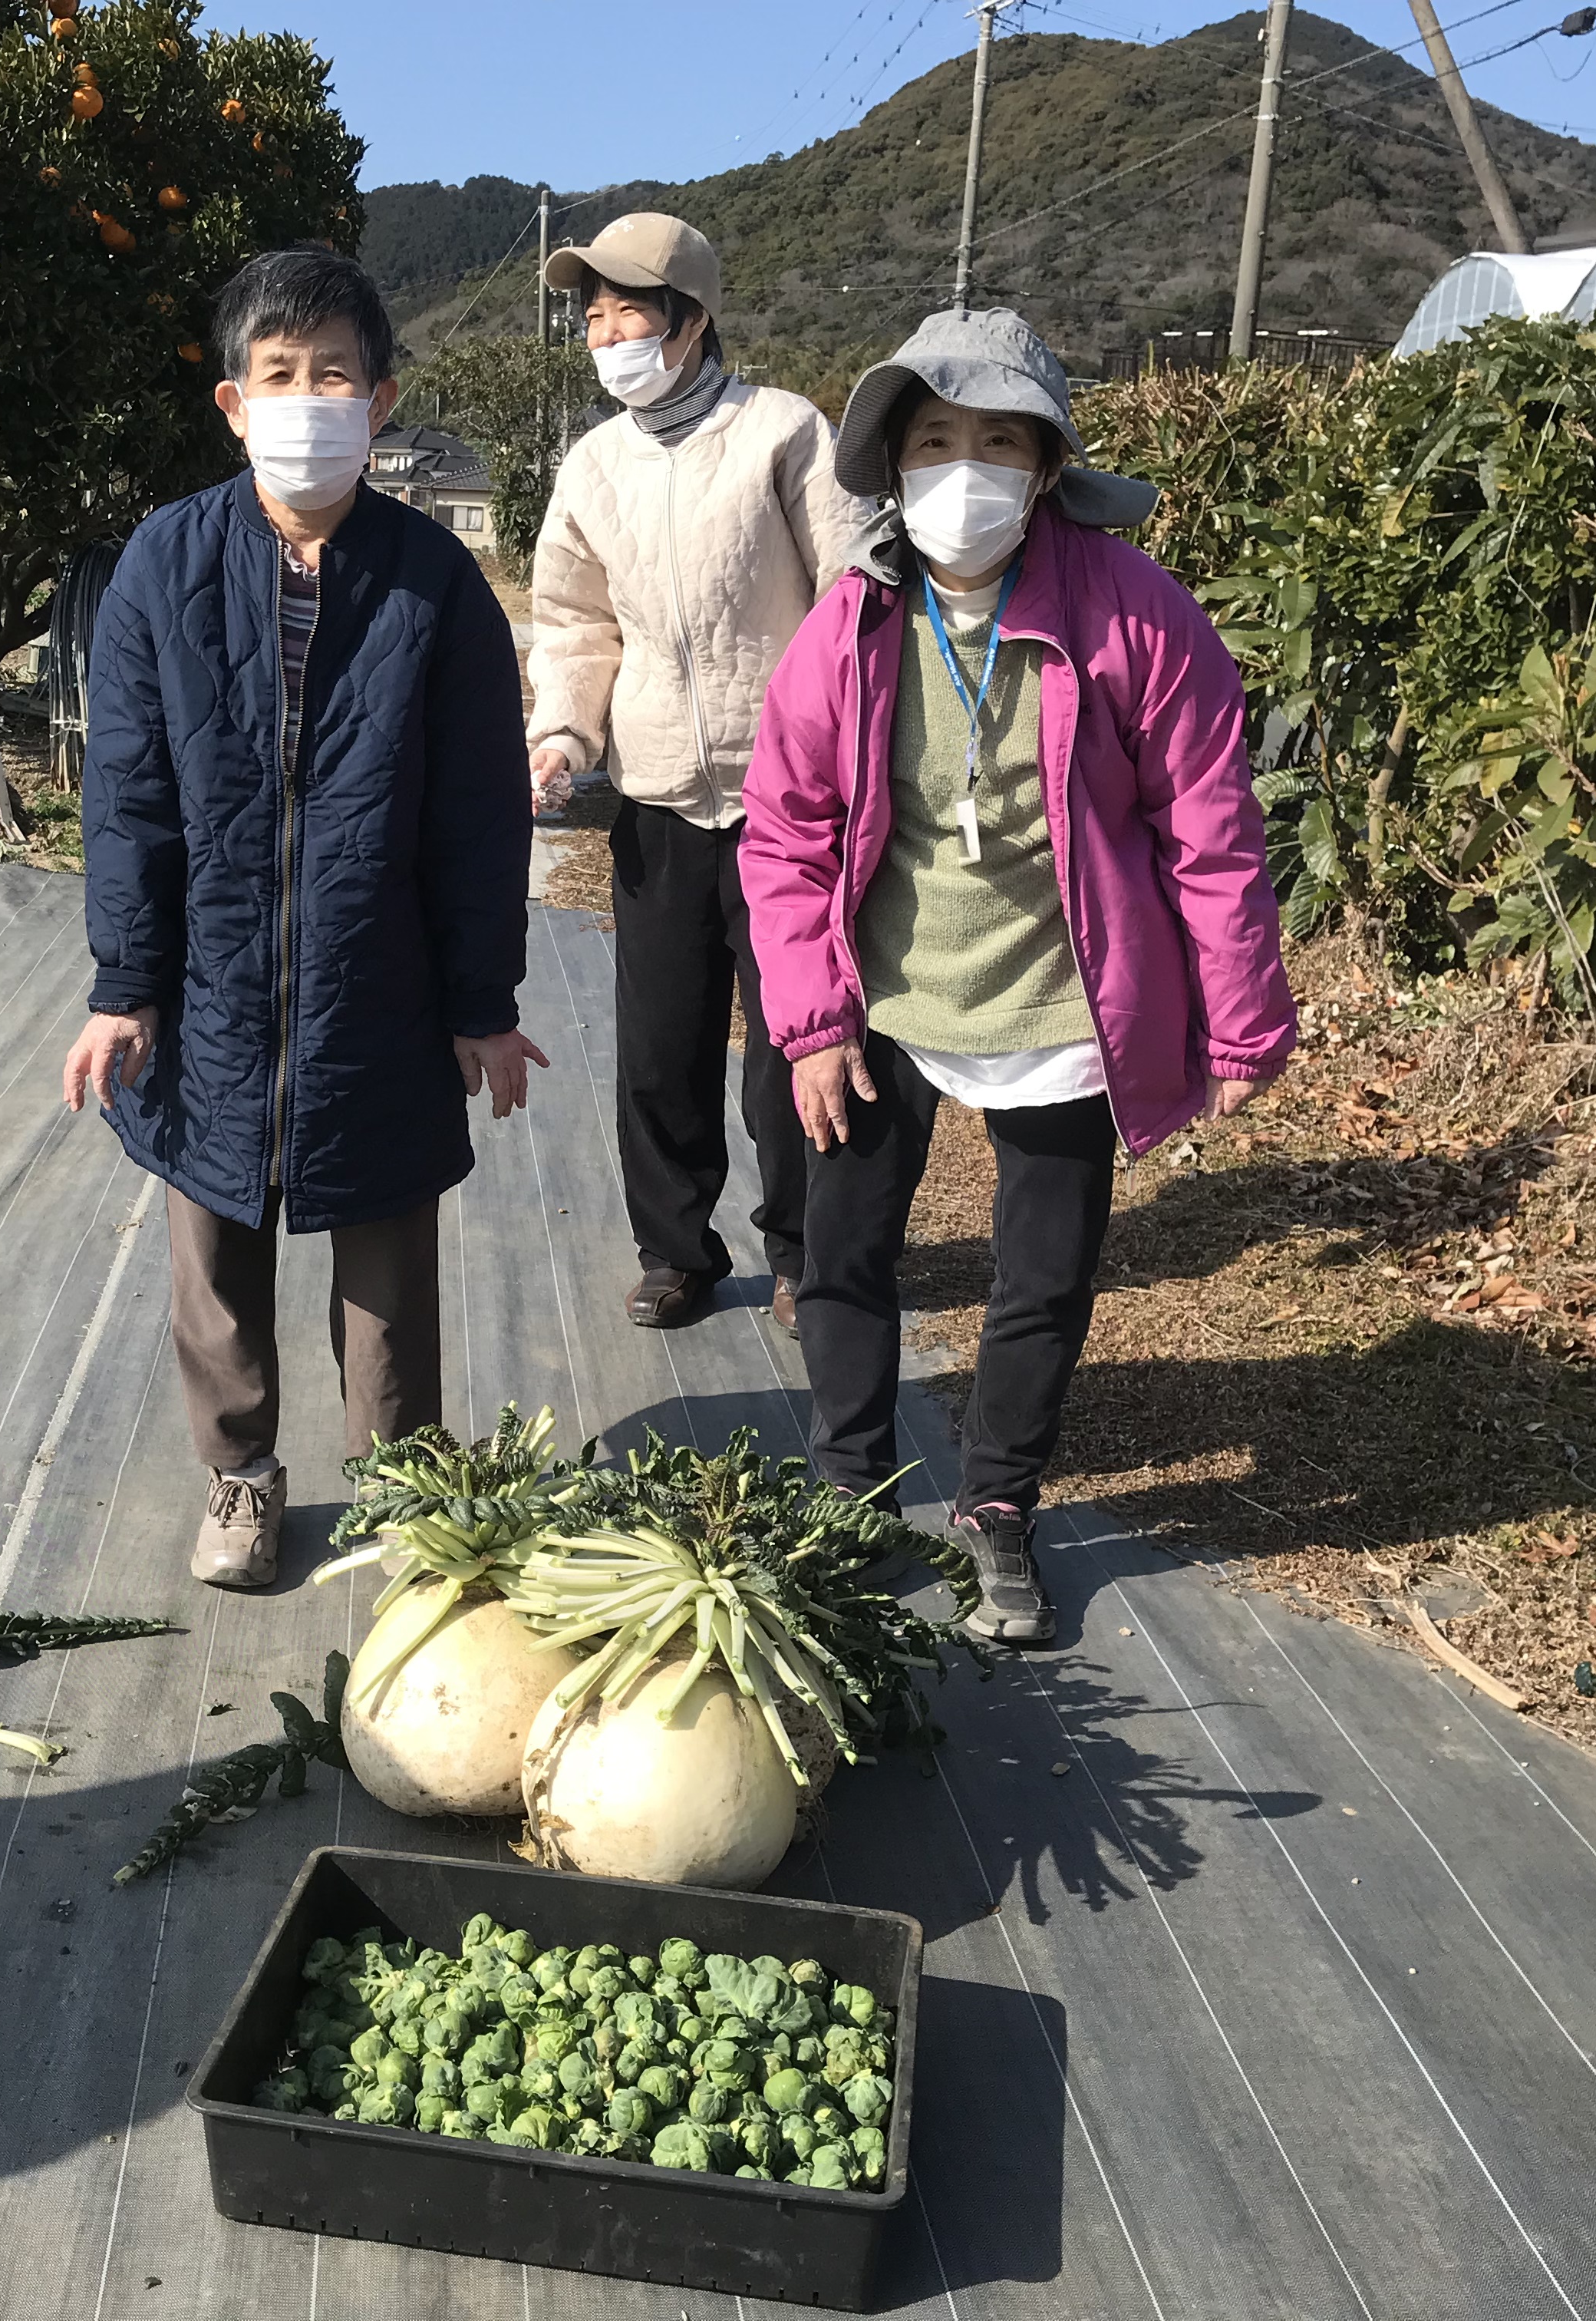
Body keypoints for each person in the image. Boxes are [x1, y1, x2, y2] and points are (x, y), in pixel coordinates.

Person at [740, 308, 1298, 1647]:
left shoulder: (1136, 616)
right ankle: (849, 1491)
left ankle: (997, 1506)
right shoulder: (852, 620)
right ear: (895, 462)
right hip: (885, 995)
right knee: (845, 1253)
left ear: (1046, 467)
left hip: (1066, 995)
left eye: (999, 442)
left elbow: (1210, 830)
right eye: (936, 442)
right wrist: (812, 1023)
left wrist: (1235, 1023)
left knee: (1044, 1271)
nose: (965, 470)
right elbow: (787, 830)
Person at [66, 246, 549, 1590]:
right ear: (232, 402)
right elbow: (129, 790)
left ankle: (399, 1491)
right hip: (212, 973)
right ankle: (240, 1479)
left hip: (375, 977)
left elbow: (476, 812)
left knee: (387, 1251)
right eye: (278, 375)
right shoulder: (166, 560)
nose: (306, 398)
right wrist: (127, 980)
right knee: (210, 1243)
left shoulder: (435, 581)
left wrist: (482, 1007)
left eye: (331, 373)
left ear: (380, 399)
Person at [526, 213, 869, 1335]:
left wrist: (843, 755)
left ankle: (802, 1253)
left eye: (628, 310)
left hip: (788, 807)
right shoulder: (594, 465)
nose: (608, 333)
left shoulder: (782, 434)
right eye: (593, 317)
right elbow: (573, 623)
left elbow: (852, 599)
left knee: (792, 1047)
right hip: (661, 802)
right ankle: (676, 1250)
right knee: (659, 1048)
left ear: (691, 317)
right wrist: (566, 736)